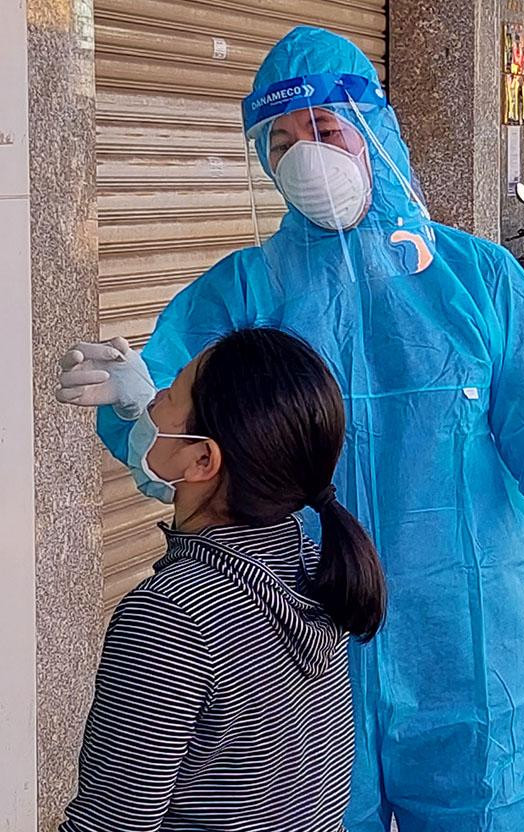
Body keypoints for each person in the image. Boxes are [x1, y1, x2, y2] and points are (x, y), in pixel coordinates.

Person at [55, 26, 524, 832]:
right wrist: (130, 403)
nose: (303, 158)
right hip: (300, 655)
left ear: (375, 132)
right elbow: (178, 449)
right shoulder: (239, 294)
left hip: (463, 650)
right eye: (280, 142)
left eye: (324, 130)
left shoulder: (476, 278)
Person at [60, 327, 387, 832]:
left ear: (203, 459)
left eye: (168, 394)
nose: (152, 402)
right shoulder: (306, 563)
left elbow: (111, 824)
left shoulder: (172, 616)